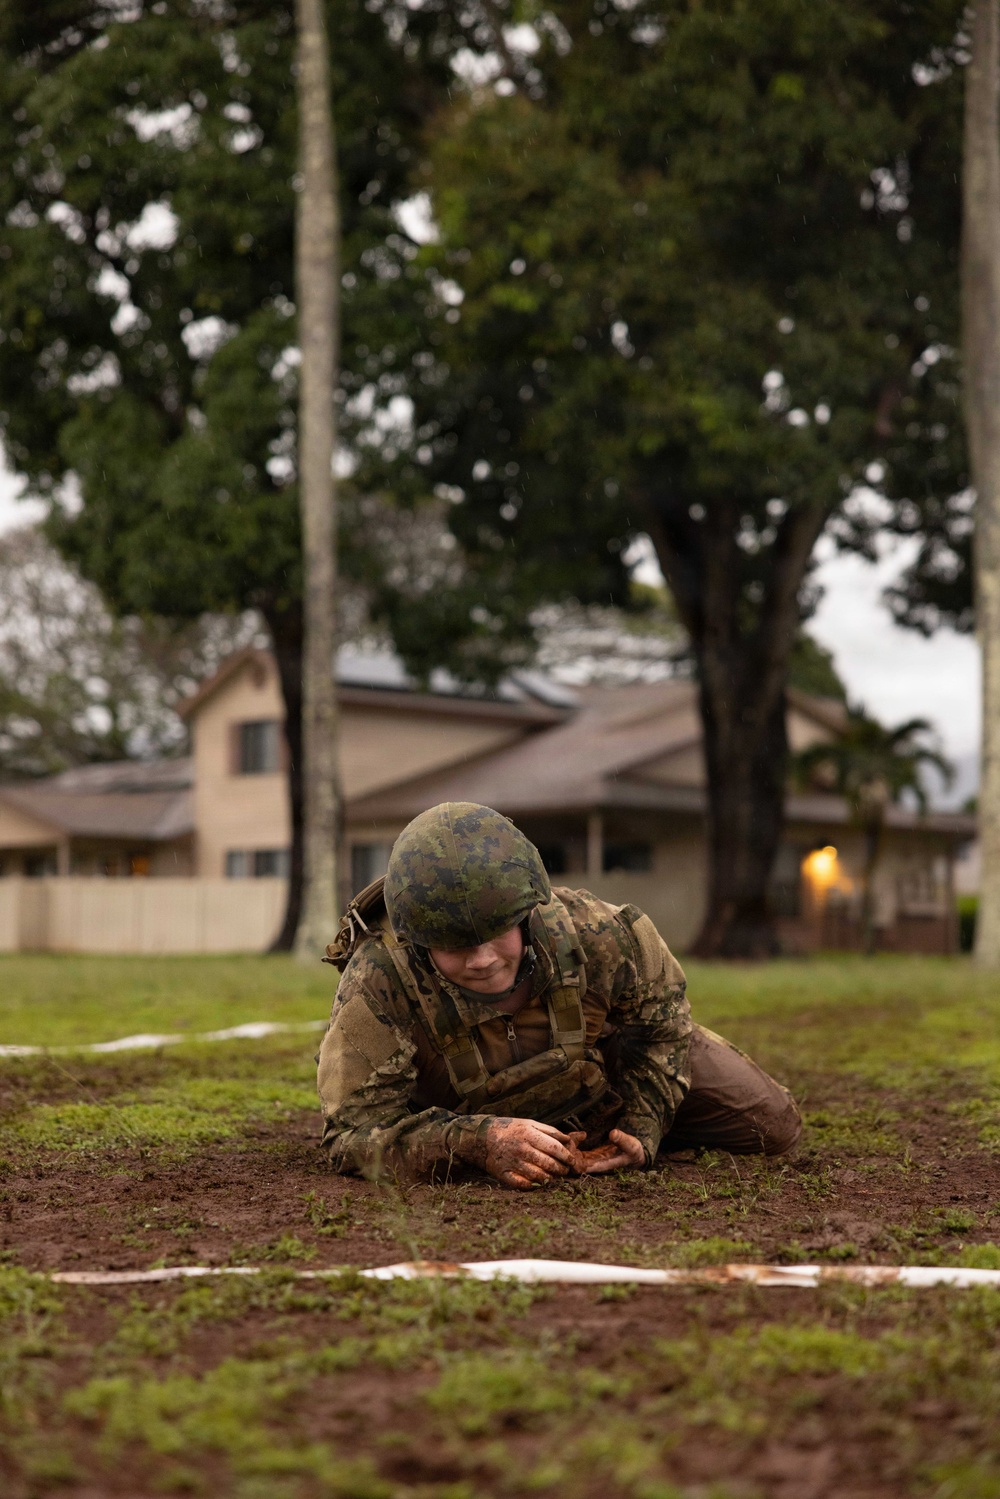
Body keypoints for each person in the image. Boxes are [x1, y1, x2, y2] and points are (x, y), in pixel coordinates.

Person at [317, 802, 801, 1188]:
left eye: (496, 932)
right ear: (419, 942)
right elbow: (351, 1133)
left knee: (772, 1124)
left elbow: (663, 1026)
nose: (482, 959)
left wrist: (643, 1124)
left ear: (527, 913)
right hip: (453, 1102)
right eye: (454, 945)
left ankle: (606, 1119)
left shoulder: (600, 933)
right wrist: (473, 1143)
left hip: (596, 1072)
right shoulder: (378, 978)